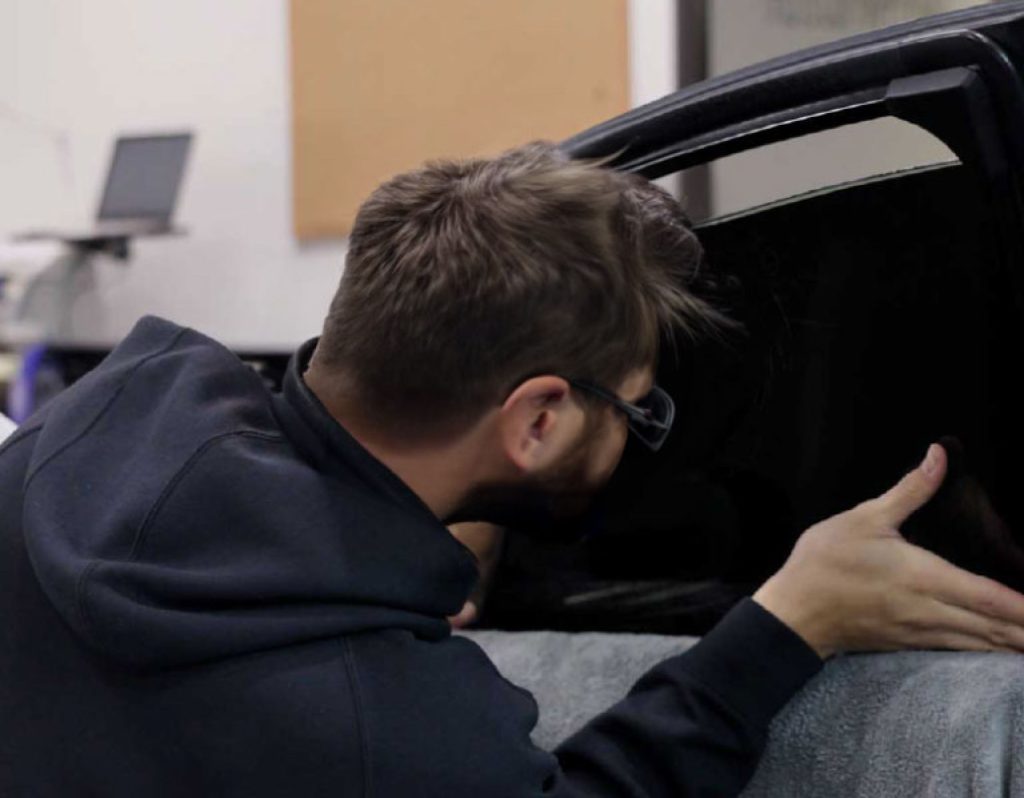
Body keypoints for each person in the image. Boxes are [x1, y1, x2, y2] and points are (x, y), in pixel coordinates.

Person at [2, 143, 1024, 798]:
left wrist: (418, 540)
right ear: (535, 419)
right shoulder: (387, 730)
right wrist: (787, 625)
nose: (636, 434)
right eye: (636, 408)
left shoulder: (76, 436)